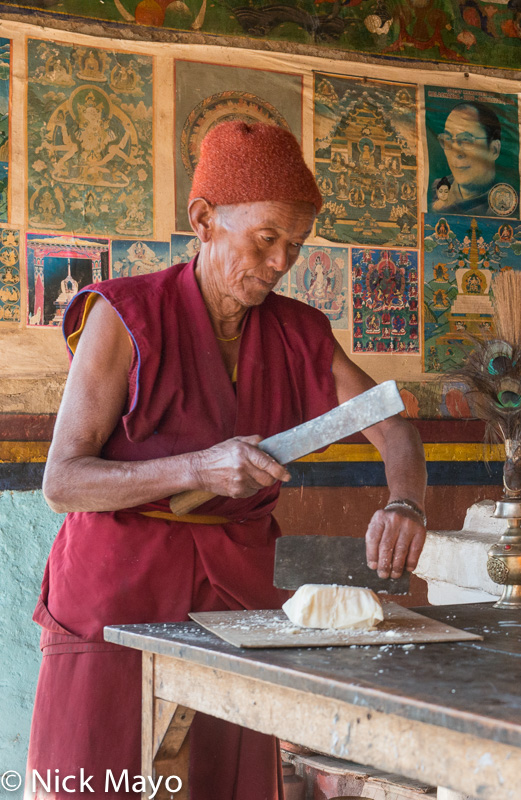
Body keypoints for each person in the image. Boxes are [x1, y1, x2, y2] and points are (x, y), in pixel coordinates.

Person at [27, 121, 428, 799]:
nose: (278, 263)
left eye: (293, 248)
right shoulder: (125, 315)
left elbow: (391, 430)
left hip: (236, 601)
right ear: (204, 220)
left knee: (224, 783)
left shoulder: (299, 332)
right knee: (95, 777)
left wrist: (404, 501)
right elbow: (62, 483)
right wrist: (197, 469)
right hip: (116, 593)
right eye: (265, 239)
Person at [433, 101, 503, 215]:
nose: (456, 152)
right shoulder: (435, 191)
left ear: (494, 150)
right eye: (448, 140)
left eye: (466, 140)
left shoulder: (508, 201)